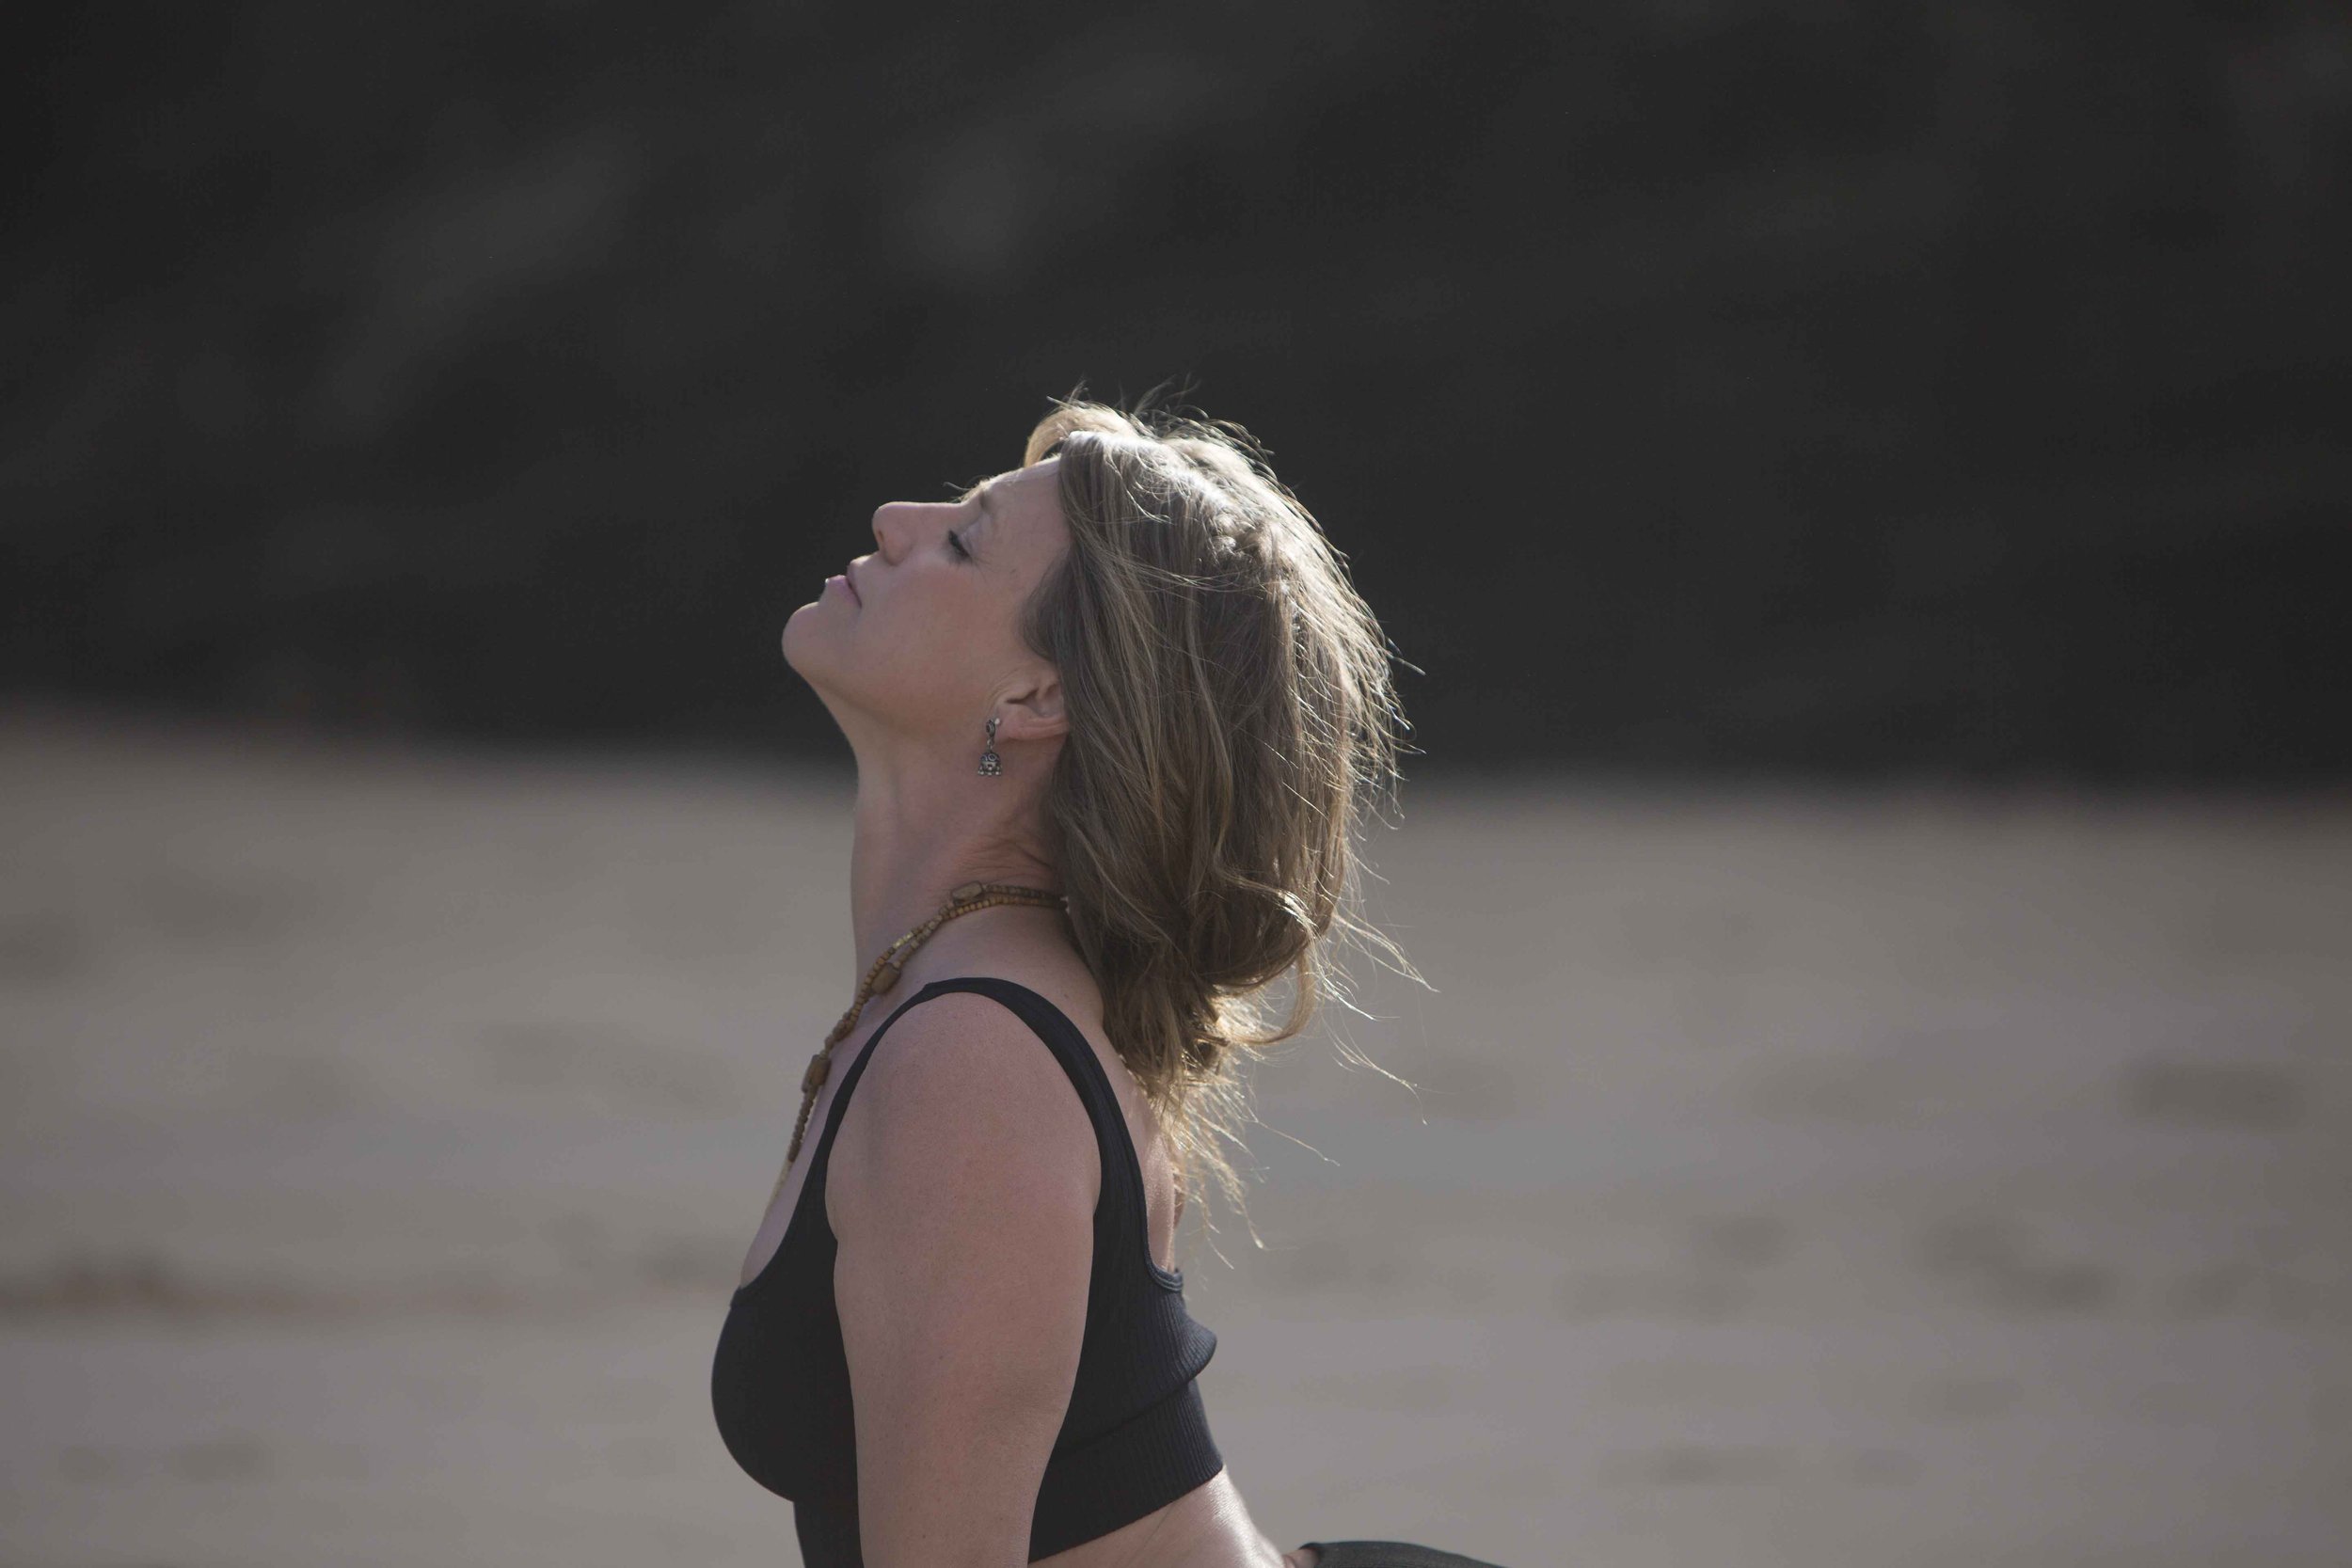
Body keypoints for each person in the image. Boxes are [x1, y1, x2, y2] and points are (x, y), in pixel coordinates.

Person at [710, 392, 1505, 1568]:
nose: (892, 517)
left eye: (965, 537)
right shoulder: (968, 1000)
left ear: (1040, 701)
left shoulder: (971, 1058)